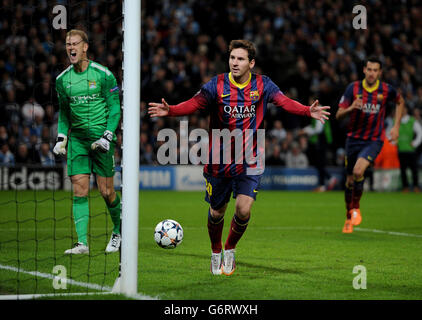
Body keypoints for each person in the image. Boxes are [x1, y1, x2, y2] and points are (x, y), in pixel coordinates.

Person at [148, 39, 330, 275]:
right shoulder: (218, 85)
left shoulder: (263, 85)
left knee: (243, 210)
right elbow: (195, 103)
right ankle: (215, 251)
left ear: (251, 63)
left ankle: (230, 248)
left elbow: (284, 102)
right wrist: (171, 110)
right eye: (232, 58)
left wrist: (307, 110)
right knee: (217, 212)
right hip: (218, 160)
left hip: (250, 159)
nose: (235, 62)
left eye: (240, 58)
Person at [53, 29, 122, 254]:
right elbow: (64, 113)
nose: (70, 48)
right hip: (78, 142)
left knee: (106, 191)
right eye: (67, 44)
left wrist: (108, 135)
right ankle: (82, 243)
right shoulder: (62, 80)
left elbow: (114, 108)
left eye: (75, 44)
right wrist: (62, 137)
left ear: (85, 47)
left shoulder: (103, 74)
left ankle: (119, 231)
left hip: (102, 140)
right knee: (79, 190)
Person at [336, 56, 404, 233]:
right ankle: (348, 217)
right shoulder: (354, 88)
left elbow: (400, 101)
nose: (372, 73)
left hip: (374, 139)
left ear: (380, 72)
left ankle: (356, 207)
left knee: (359, 171)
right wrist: (351, 108)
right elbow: (338, 115)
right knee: (350, 181)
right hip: (353, 139)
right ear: (364, 70)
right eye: (369, 69)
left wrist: (396, 126)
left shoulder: (386, 90)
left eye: (375, 70)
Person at [397, 106, 422, 192]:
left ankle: (416, 186)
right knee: (403, 170)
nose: (402, 110)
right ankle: (405, 187)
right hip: (401, 149)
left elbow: (420, 133)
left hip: (411, 150)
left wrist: (415, 143)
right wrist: (394, 142)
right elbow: (390, 133)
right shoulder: (397, 120)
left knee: (414, 169)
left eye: (404, 109)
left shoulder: (412, 121)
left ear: (407, 110)